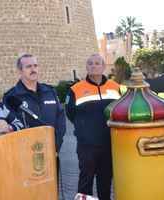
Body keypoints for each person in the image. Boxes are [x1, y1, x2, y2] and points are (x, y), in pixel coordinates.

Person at [65, 54, 120, 200]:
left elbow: (120, 111)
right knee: (85, 181)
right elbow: (70, 113)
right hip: (87, 146)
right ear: (86, 67)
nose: (93, 66)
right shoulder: (76, 89)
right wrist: (84, 129)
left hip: (109, 143)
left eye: (97, 63)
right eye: (90, 63)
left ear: (103, 66)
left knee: (105, 180)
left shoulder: (116, 88)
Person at [3, 54, 66, 176]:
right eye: (28, 67)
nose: (33, 69)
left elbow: (60, 120)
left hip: (51, 153)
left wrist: (55, 146)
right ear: (20, 71)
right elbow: (10, 128)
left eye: (35, 65)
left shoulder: (50, 92)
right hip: (26, 158)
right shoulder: (11, 97)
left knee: (52, 193)